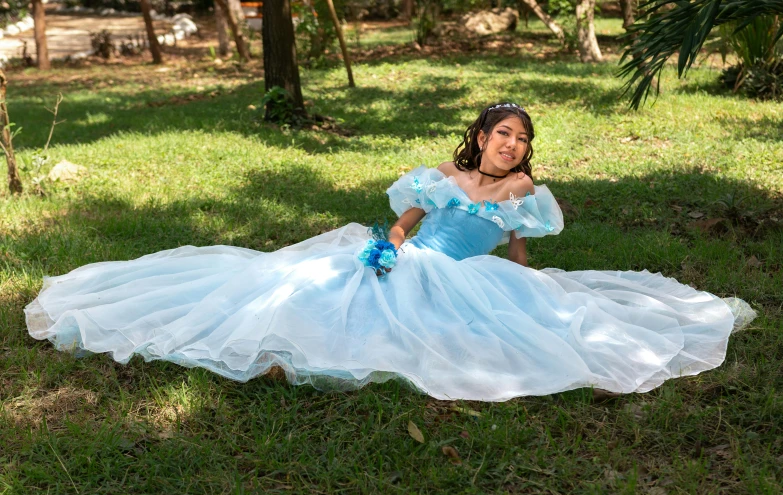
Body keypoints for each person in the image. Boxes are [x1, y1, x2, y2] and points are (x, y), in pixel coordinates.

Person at [25, 103, 755, 402]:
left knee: (497, 322)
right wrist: (386, 250)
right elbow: (403, 224)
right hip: (412, 256)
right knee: (312, 289)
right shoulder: (438, 178)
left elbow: (518, 246)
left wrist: (532, 285)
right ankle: (291, 339)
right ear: (478, 137)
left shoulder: (524, 189)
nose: (512, 144)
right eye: (502, 134)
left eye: (521, 137)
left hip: (474, 274)